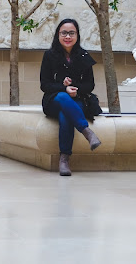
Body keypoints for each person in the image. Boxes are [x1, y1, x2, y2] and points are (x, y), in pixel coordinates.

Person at [40, 19, 102, 176]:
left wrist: (76, 89)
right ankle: (87, 132)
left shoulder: (83, 55)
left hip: (77, 100)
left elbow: (90, 85)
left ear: (77, 35)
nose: (67, 36)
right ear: (58, 35)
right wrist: (63, 88)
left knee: (66, 115)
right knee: (62, 98)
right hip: (54, 100)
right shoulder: (49, 55)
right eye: (64, 33)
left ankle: (64, 159)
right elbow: (44, 85)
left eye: (71, 33)